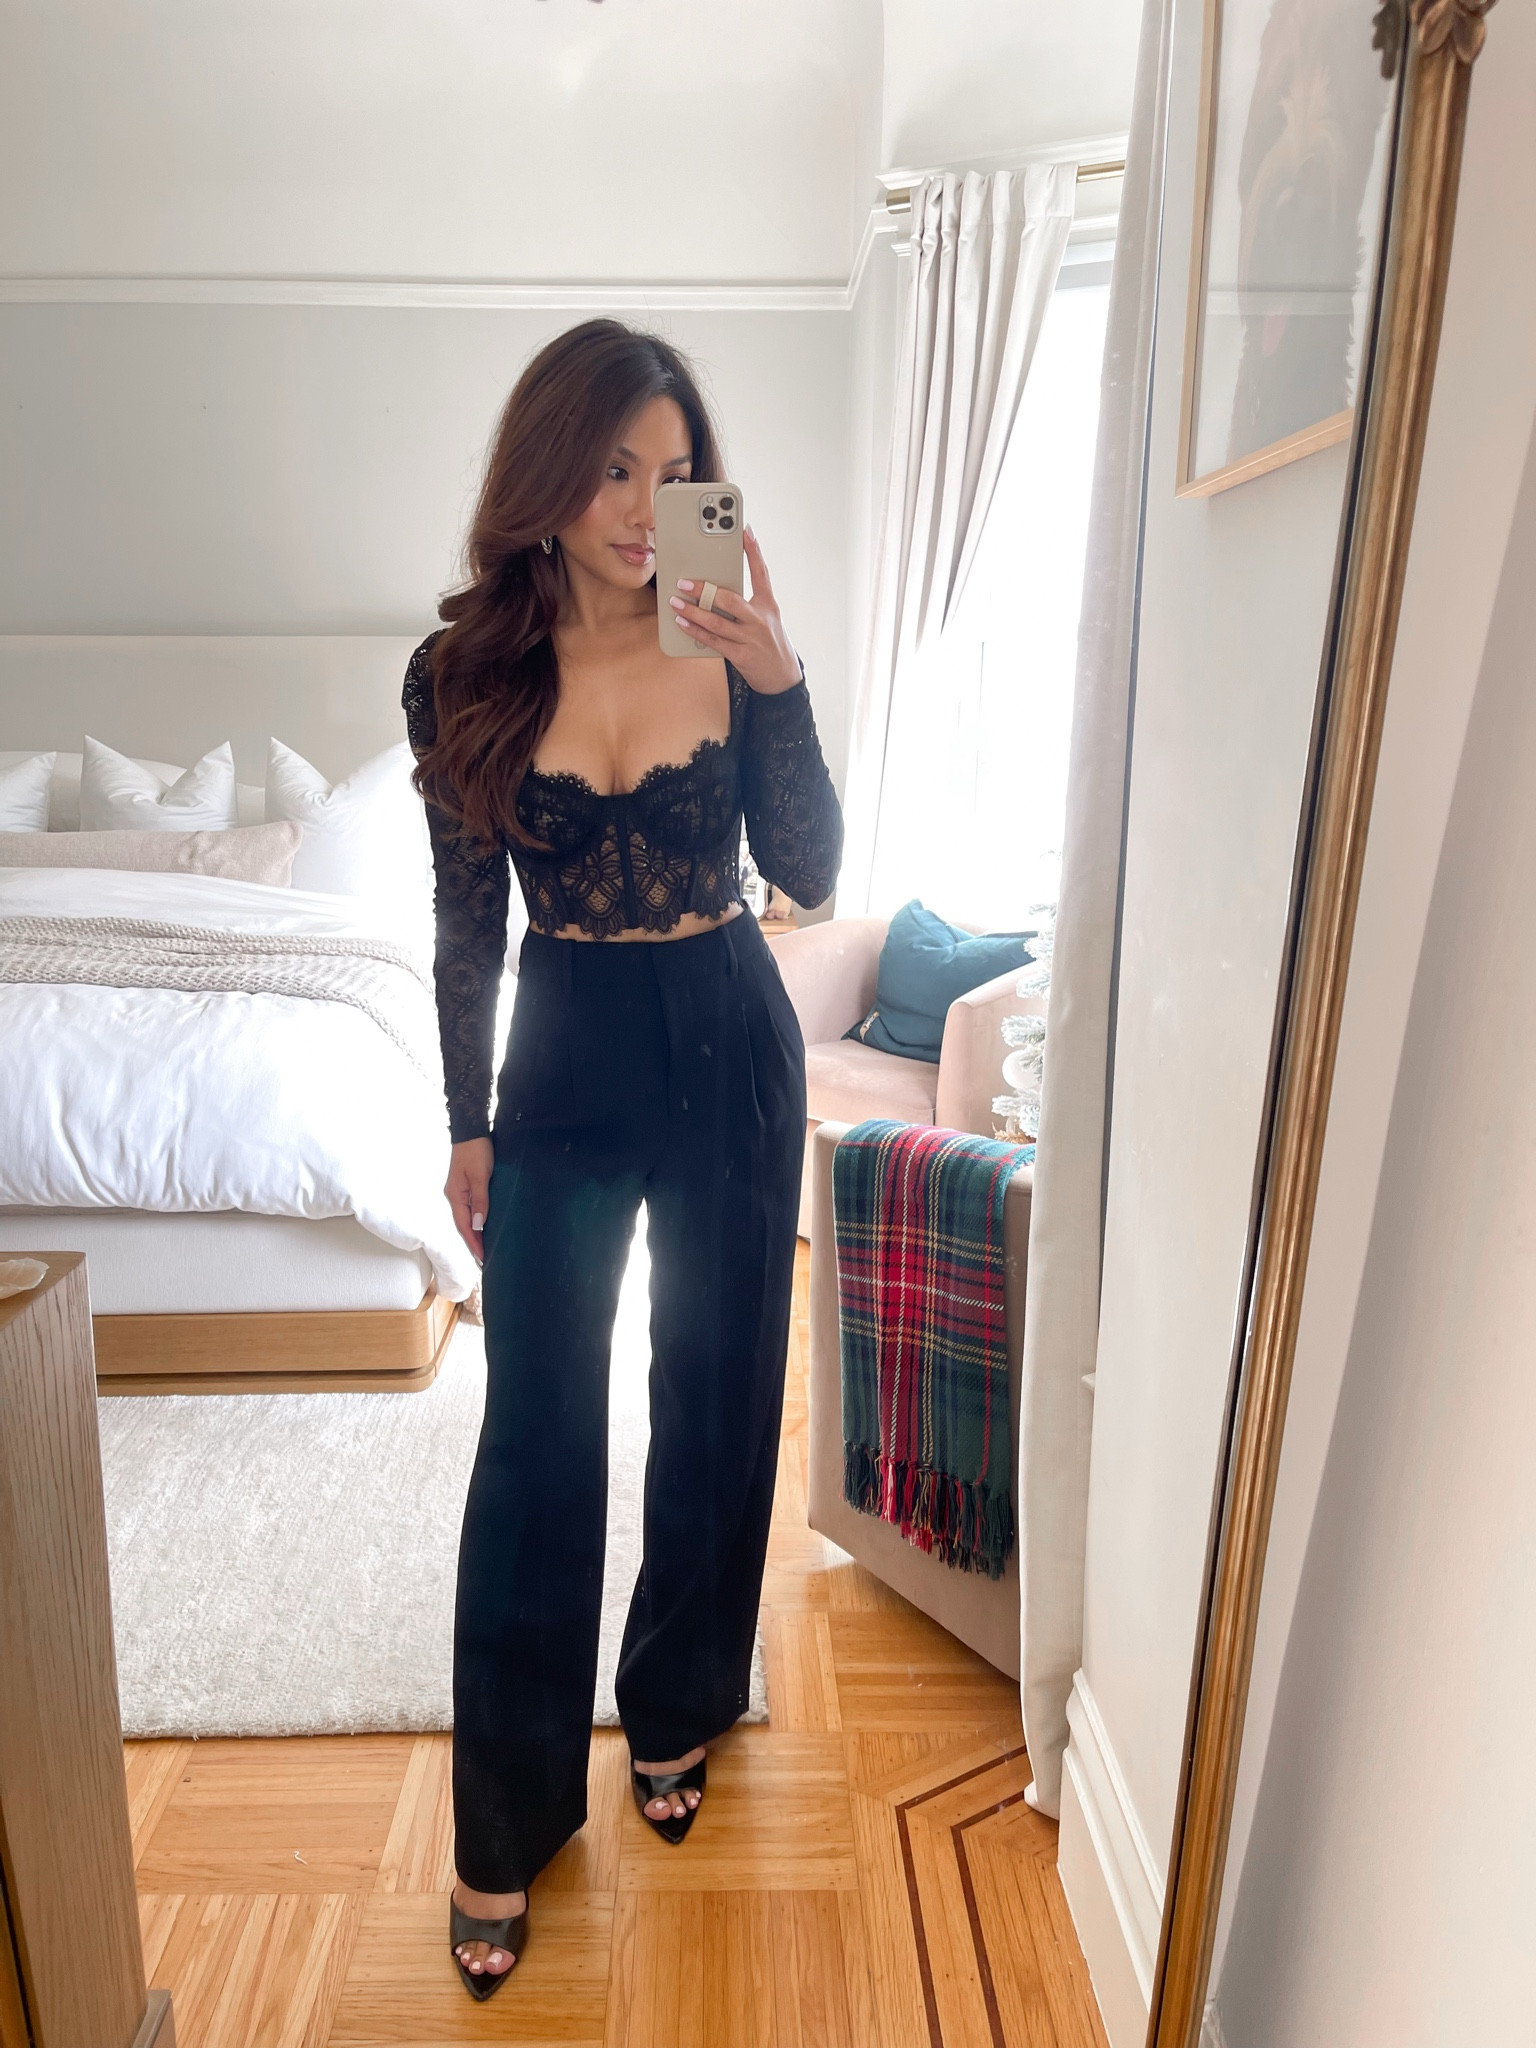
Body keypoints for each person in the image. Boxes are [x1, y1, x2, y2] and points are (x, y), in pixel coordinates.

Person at [402, 318, 843, 2000]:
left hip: (728, 1034)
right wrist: (467, 1119)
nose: (647, 508)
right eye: (611, 469)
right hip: (566, 1054)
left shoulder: (726, 641)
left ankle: (677, 1703)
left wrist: (781, 676)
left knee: (717, 1399)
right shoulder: (464, 675)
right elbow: (465, 927)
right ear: (545, 475)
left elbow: (808, 872)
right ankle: (506, 1820)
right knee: (535, 1438)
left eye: (675, 472)